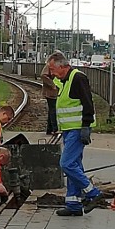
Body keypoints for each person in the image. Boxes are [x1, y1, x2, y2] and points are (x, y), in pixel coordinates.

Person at [46, 51, 102, 217]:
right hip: (69, 129)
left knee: (67, 164)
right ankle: (73, 204)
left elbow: (87, 103)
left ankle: (93, 193)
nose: (51, 73)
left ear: (63, 67)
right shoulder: (63, 80)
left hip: (78, 129)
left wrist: (85, 126)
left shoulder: (78, 78)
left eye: (53, 69)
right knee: (74, 166)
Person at [40, 57, 59, 135]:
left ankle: (49, 129)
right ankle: (54, 129)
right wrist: (52, 85)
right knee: (53, 110)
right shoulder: (49, 65)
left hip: (53, 92)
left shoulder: (53, 64)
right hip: (50, 92)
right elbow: (43, 75)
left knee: (52, 110)